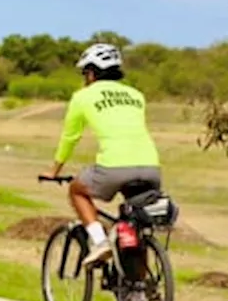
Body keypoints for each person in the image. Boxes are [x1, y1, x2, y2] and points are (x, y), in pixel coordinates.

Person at [41, 42, 162, 269]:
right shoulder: (137, 96)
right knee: (134, 227)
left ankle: (99, 242)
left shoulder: (83, 97)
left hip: (114, 167)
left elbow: (70, 137)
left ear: (91, 72)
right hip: (151, 167)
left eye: (85, 73)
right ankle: (137, 292)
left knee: (76, 190)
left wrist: (54, 170)